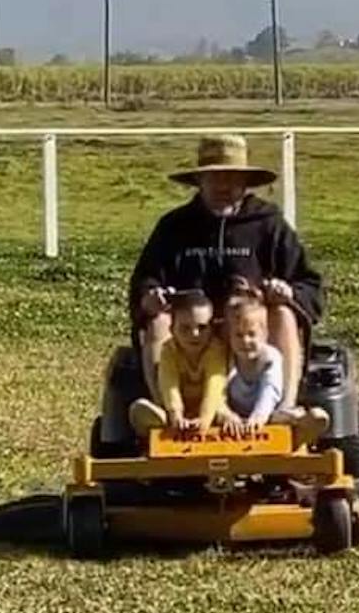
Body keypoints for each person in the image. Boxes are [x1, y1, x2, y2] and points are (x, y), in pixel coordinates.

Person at [129, 133, 323, 406]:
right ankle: (164, 413)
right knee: (159, 321)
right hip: (191, 335)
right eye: (214, 177)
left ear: (245, 182)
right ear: (199, 181)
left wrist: (288, 292)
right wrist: (150, 297)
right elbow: (144, 281)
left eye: (231, 177)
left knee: (283, 313)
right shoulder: (174, 227)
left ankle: (283, 409)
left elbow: (310, 284)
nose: (223, 185)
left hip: (253, 335)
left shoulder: (269, 224)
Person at [219, 290, 329, 447]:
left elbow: (270, 390)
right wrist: (227, 415)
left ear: (264, 334)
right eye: (238, 335)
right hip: (234, 417)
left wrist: (258, 417)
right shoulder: (226, 357)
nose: (245, 341)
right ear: (229, 336)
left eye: (251, 334)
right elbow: (218, 391)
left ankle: (305, 429)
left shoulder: (270, 358)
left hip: (268, 414)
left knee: (290, 416)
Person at [129, 289, 228, 436]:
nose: (194, 334)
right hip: (178, 406)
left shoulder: (215, 350)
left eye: (202, 328)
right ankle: (159, 422)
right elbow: (169, 384)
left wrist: (204, 419)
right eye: (185, 328)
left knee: (223, 412)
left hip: (211, 407)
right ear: (172, 329)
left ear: (211, 329)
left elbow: (214, 385)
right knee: (150, 408)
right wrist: (176, 415)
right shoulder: (169, 351)